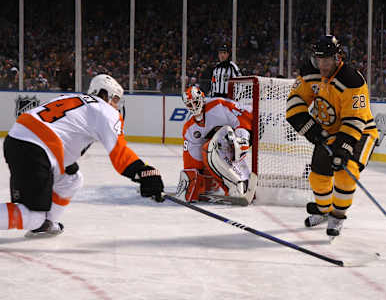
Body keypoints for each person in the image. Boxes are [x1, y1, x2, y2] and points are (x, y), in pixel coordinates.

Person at [1, 74, 164, 237]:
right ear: (103, 93)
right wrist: (144, 172)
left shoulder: (73, 98)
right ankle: (39, 222)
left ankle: (47, 223)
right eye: (115, 99)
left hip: (24, 142)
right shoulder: (105, 110)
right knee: (32, 216)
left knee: (72, 178)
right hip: (35, 148)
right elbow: (119, 153)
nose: (116, 105)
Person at [286, 35, 378, 238]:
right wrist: (313, 131)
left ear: (337, 57)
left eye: (327, 59)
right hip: (329, 133)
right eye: (319, 59)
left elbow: (355, 120)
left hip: (360, 132)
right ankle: (323, 209)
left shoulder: (352, 80)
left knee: (346, 171)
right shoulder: (310, 73)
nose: (323, 64)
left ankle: (337, 215)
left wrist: (344, 147)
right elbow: (294, 105)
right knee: (318, 176)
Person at [176, 85, 256, 206]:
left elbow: (243, 115)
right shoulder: (189, 128)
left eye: (196, 102)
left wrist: (243, 137)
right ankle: (234, 185)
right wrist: (192, 179)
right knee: (208, 150)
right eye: (189, 105)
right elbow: (192, 157)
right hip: (229, 143)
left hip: (247, 131)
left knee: (213, 147)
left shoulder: (218, 105)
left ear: (202, 98)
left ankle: (241, 183)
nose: (193, 107)